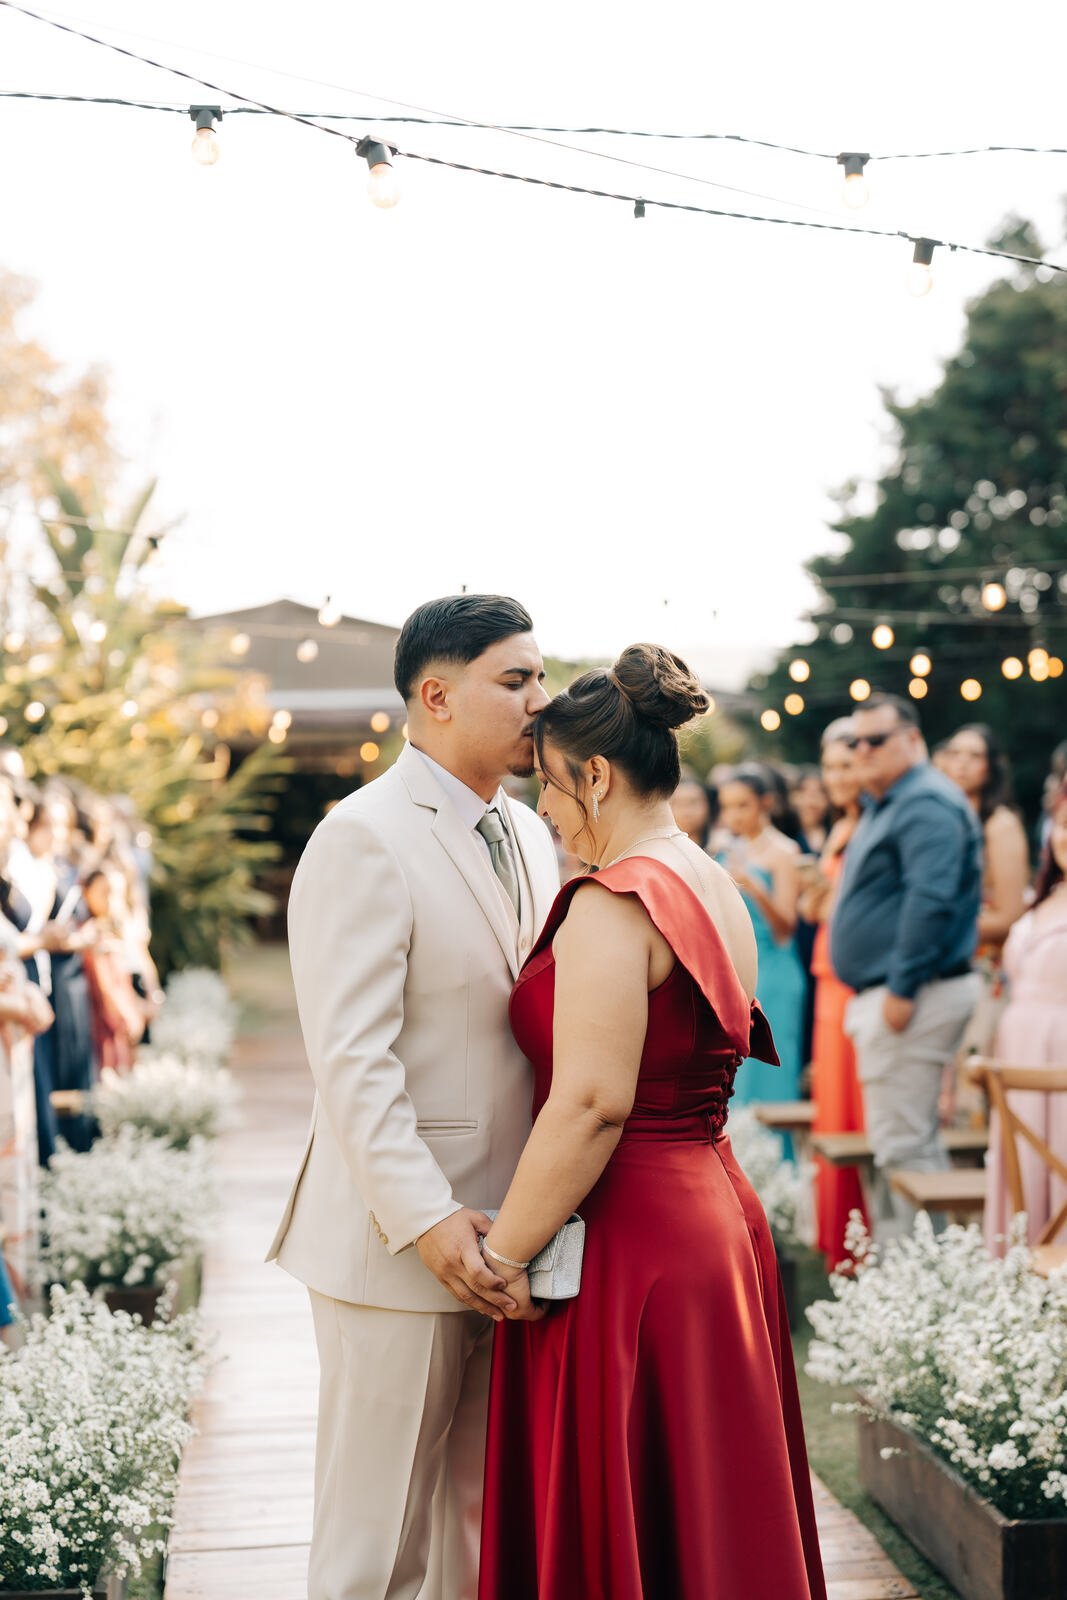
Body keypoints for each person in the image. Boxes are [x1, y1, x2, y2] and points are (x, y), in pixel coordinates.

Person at [478, 645, 826, 1600]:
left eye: (546, 788)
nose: (542, 813)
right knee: (707, 1508)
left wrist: (504, 1257)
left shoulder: (612, 901)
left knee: (631, 1497)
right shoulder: (710, 879)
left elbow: (592, 1104)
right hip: (714, 1217)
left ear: (593, 774)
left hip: (631, 1241)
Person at [267, 595, 561, 1600]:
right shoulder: (361, 836)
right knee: (373, 1546)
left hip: (512, 1236)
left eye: (540, 676)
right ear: (434, 695)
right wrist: (430, 1218)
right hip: (397, 1243)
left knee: (471, 1536)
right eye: (515, 680)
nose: (542, 700)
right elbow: (351, 1058)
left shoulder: (526, 833)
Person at [831, 695, 982, 1240]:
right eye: (856, 741)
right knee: (898, 1145)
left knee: (906, 1148)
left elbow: (932, 899)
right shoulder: (894, 801)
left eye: (877, 739)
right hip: (901, 992)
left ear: (914, 740)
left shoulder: (924, 802)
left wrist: (902, 987)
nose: (863, 750)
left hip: (914, 993)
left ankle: (927, 1292)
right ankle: (908, 1284)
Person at [983, 779, 1067, 1255]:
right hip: (1016, 1052)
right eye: (1064, 825)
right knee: (1023, 1165)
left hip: (1061, 1057)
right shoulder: (1042, 900)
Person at [799, 719, 868, 1268]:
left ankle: (861, 1244)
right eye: (830, 765)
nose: (837, 776)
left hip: (854, 981)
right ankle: (840, 1248)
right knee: (833, 1112)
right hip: (827, 975)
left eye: (847, 763)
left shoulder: (873, 825)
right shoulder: (843, 827)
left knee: (857, 1113)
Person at [715, 766, 805, 1110]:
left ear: (765, 803)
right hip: (732, 975)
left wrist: (754, 886)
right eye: (727, 806)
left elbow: (786, 928)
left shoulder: (785, 852)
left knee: (769, 1076)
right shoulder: (722, 849)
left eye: (743, 805)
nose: (734, 815)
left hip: (774, 971)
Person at [670, 773, 712, 846]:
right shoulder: (658, 852)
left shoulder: (722, 849)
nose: (686, 812)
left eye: (693, 803)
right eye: (679, 804)